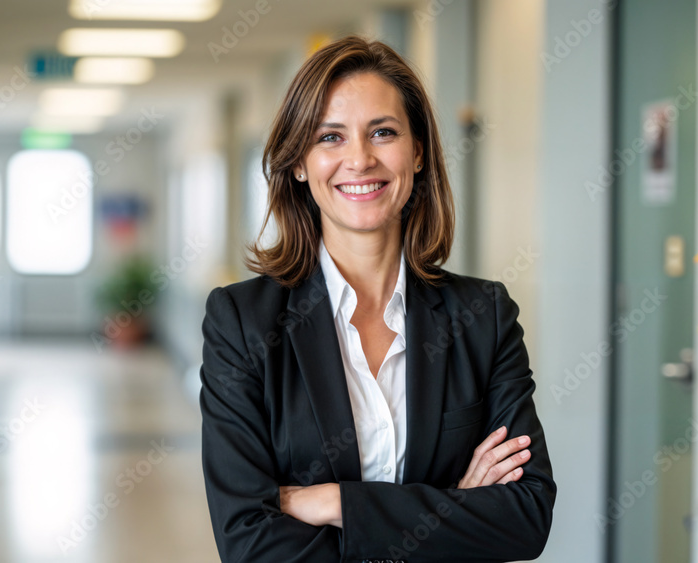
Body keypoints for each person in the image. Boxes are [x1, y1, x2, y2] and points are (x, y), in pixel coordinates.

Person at [199, 35, 555, 563]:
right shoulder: (242, 323)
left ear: (417, 153)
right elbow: (250, 543)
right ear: (299, 163)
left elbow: (524, 519)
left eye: (382, 133)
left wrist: (338, 502)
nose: (360, 159)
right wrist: (453, 507)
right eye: (331, 137)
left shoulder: (484, 316)